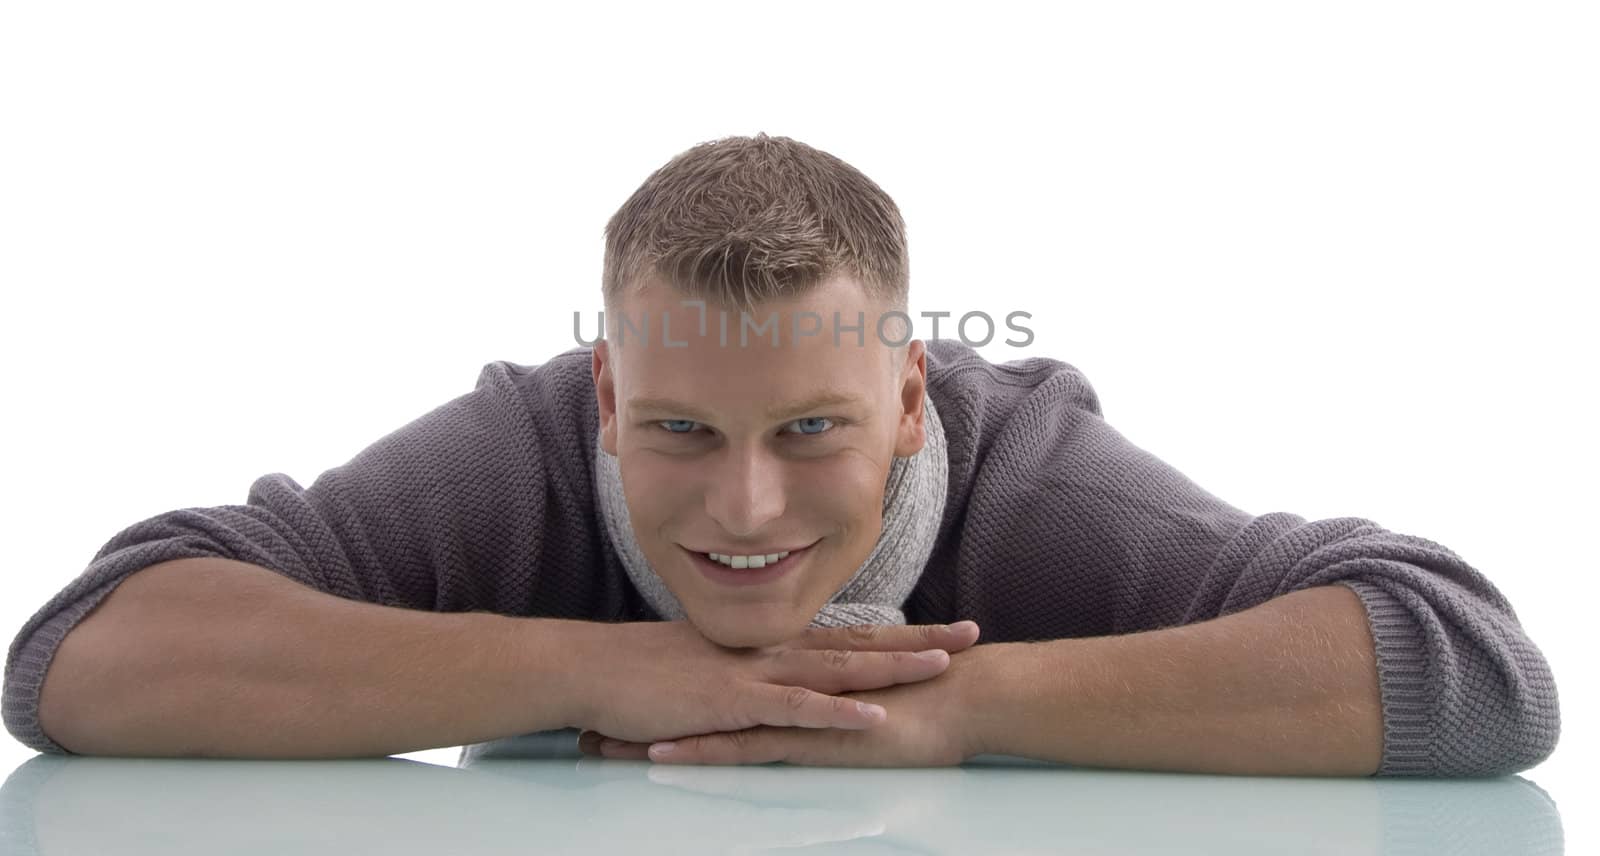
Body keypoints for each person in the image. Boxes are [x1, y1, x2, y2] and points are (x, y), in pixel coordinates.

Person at [2, 133, 1561, 775]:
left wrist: (947, 708)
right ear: (604, 399)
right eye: (680, 431)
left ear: (911, 401)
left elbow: (1478, 671)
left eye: (813, 430)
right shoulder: (519, 454)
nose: (743, 507)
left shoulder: (1033, 482)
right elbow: (81, 653)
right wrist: (605, 671)